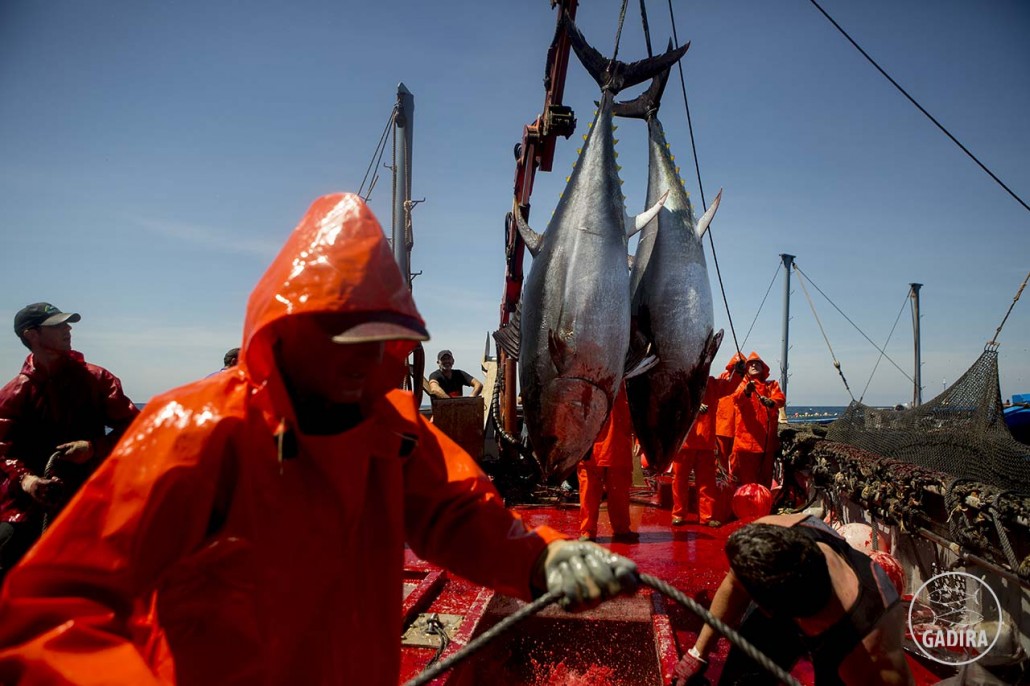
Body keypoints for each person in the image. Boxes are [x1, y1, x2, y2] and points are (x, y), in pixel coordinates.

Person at [0, 194, 638, 685]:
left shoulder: (389, 426)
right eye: (347, 340)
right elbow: (56, 608)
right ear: (289, 330)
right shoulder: (195, 432)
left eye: (382, 342)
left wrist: (539, 558)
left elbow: (456, 509)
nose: (366, 362)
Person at [672, 513, 913, 685]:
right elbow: (735, 584)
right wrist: (698, 652)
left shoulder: (869, 652)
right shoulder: (777, 533)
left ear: (768, 610)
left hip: (844, 645)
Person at [0, 303, 139, 581]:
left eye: (67, 323)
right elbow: (3, 450)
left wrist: (93, 448)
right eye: (58, 324)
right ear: (32, 335)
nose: (68, 329)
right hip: (27, 508)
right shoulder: (15, 392)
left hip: (90, 500)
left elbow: (135, 428)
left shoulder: (98, 379)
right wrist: (27, 480)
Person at [671, 375, 736, 527]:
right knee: (679, 480)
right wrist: (693, 405)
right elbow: (672, 402)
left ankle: (707, 516)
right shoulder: (680, 382)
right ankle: (678, 514)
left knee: (707, 482)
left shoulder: (711, 383)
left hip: (705, 442)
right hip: (684, 441)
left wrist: (738, 373)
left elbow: (729, 387)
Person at [577, 381, 638, 544]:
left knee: (612, 492)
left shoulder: (586, 379)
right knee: (591, 491)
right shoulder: (626, 381)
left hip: (609, 445)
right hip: (596, 447)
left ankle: (593, 532)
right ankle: (594, 530)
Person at [728, 352, 785, 489]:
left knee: (764, 482)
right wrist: (747, 391)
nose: (753, 365)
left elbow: (780, 399)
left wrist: (771, 402)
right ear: (746, 368)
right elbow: (736, 399)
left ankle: (763, 507)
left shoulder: (771, 385)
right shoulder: (741, 384)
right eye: (750, 363)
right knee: (746, 482)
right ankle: (743, 507)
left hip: (767, 445)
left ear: (763, 367)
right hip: (745, 444)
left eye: (757, 363)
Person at [714, 352, 746, 476]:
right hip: (722, 426)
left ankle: (733, 484)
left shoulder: (747, 380)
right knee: (720, 459)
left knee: (736, 460)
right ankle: (722, 483)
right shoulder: (723, 377)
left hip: (739, 427)